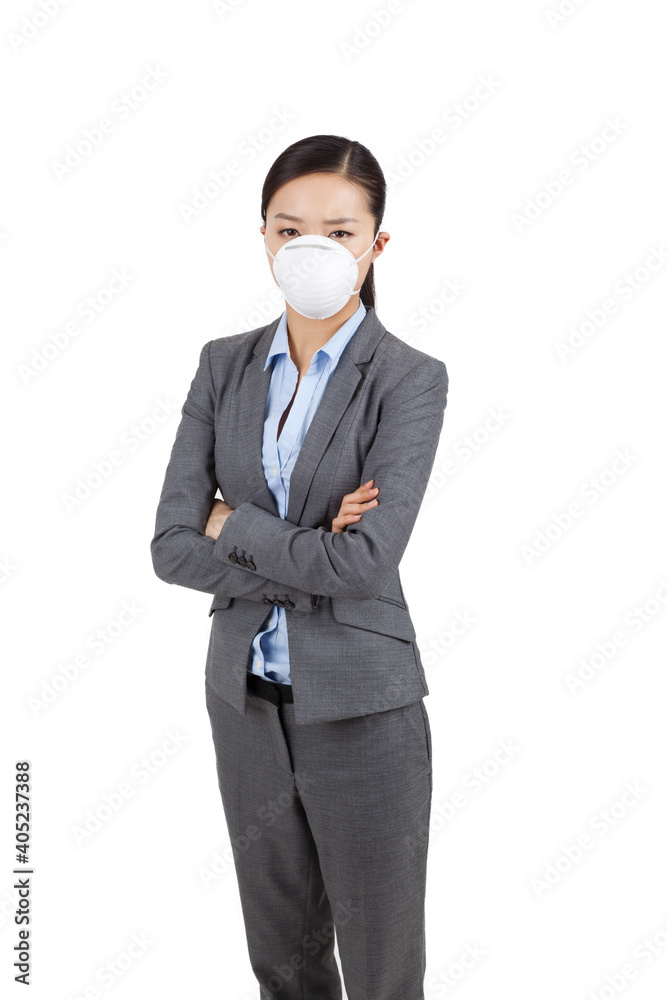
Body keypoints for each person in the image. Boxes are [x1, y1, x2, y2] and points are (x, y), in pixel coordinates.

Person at [150, 133, 449, 1000]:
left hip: (362, 705)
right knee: (280, 960)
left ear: (375, 244)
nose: (310, 249)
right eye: (289, 230)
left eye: (339, 232)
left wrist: (233, 523)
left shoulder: (408, 379)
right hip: (242, 701)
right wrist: (311, 544)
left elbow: (364, 563)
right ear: (264, 239)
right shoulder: (223, 365)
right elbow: (171, 546)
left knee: (382, 967)